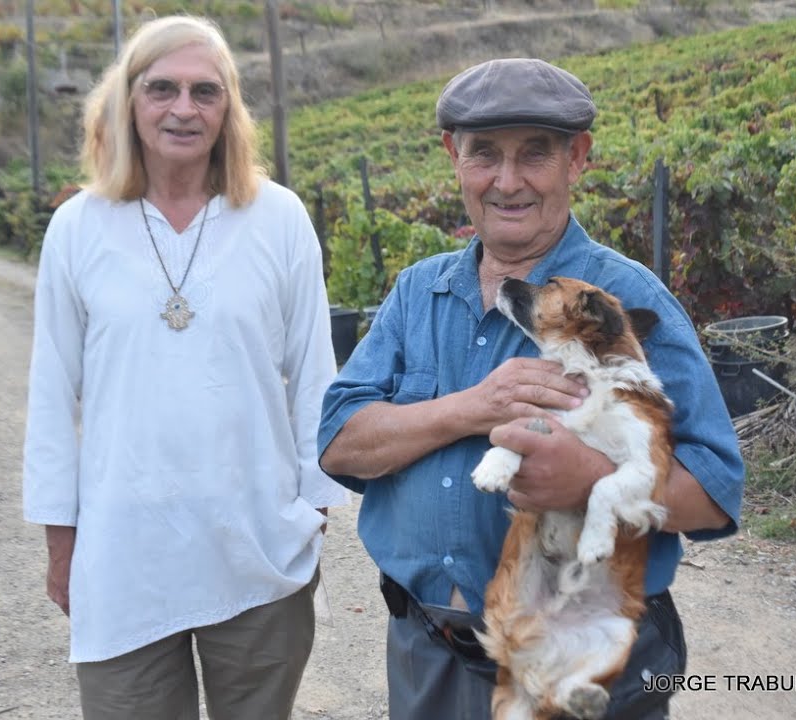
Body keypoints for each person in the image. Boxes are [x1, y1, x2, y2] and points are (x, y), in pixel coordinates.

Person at [318, 58, 744, 720]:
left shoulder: (623, 301)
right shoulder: (416, 292)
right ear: (452, 157)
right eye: (484, 154)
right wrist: (471, 409)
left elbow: (716, 491)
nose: (507, 181)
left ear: (577, 159)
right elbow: (339, 443)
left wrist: (594, 480)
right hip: (426, 656)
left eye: (535, 155)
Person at [22, 15, 348, 720]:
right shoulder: (79, 229)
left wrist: (311, 509)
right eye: (161, 88)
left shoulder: (278, 218)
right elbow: (50, 394)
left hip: (256, 547)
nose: (183, 108)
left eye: (205, 91)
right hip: (123, 550)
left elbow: (317, 375)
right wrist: (61, 542)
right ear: (128, 101)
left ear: (228, 107)